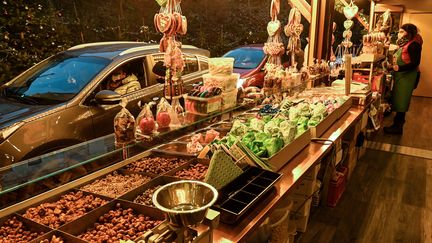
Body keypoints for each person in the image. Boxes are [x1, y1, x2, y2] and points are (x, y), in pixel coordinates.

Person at [384, 23, 422, 134]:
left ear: (408, 33)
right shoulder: (406, 43)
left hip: (408, 77)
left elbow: (415, 63)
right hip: (402, 76)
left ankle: (397, 127)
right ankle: (396, 124)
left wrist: (398, 68)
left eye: (402, 31)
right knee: (398, 100)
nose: (399, 34)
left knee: (402, 102)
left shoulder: (414, 45)